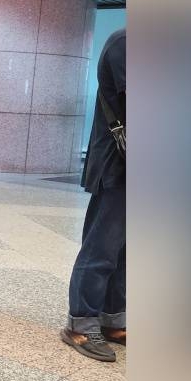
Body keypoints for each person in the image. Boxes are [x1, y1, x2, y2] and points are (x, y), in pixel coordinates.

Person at [62, 28, 127, 362]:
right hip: (119, 166)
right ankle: (81, 322)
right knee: (101, 248)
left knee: (126, 252)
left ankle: (113, 319)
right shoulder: (125, 43)